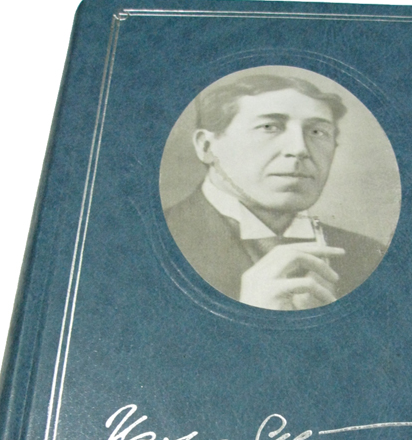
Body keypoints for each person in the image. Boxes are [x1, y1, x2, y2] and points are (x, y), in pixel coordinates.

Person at [164, 74, 386, 310]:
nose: (299, 149)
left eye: (317, 132)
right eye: (269, 127)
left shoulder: (370, 256)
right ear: (206, 146)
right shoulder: (155, 241)